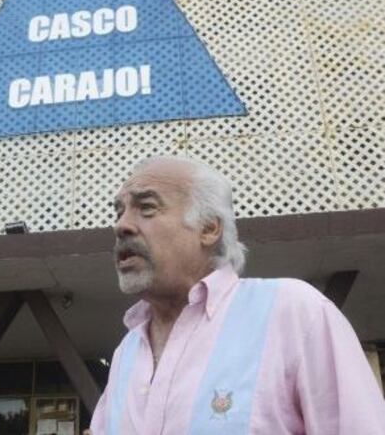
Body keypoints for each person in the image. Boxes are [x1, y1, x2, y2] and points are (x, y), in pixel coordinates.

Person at [87, 156, 385, 434]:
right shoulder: (126, 352)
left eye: (147, 207)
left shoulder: (294, 312)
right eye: (119, 211)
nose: (121, 225)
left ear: (209, 228)